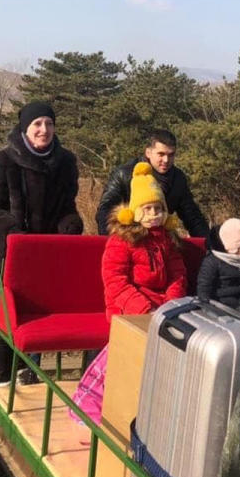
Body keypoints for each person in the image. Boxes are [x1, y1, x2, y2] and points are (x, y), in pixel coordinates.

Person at [0, 101, 83, 385]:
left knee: (38, 317)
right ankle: (0, 379)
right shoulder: (5, 160)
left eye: (48, 123)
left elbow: (66, 207)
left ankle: (28, 375)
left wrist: (70, 224)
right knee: (8, 315)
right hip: (11, 252)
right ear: (25, 128)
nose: (43, 130)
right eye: (37, 124)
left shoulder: (66, 162)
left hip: (47, 255)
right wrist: (13, 231)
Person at [71, 162, 187, 425]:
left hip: (162, 308)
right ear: (135, 212)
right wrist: (144, 308)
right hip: (128, 308)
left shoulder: (167, 239)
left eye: (158, 209)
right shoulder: (122, 240)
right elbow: (115, 281)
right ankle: (96, 402)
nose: (154, 215)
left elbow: (178, 273)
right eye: (148, 209)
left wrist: (170, 304)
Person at [95, 129, 209, 238]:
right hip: (129, 240)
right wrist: (113, 242)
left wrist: (209, 246)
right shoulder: (123, 174)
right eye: (161, 154)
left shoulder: (178, 179)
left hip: (161, 242)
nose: (166, 160)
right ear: (148, 152)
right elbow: (105, 211)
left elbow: (193, 217)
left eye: (171, 155)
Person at [196, 218, 240, 308]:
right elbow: (204, 290)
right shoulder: (212, 262)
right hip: (223, 308)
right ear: (233, 248)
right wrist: (209, 309)